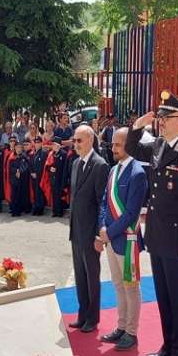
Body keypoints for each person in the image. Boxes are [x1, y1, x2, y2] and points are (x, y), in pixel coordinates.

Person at [126, 91, 178, 356]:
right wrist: (138, 125)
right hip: (157, 234)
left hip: (176, 239)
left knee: (176, 295)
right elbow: (134, 149)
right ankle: (166, 344)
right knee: (162, 293)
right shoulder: (159, 145)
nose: (161, 121)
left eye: (166, 117)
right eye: (159, 117)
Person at [97, 127, 148, 351]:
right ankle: (121, 327)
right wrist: (101, 226)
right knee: (118, 285)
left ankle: (132, 331)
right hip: (111, 237)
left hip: (127, 240)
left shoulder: (137, 173)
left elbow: (131, 213)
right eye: (113, 144)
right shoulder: (113, 170)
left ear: (128, 145)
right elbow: (103, 202)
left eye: (117, 144)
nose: (113, 148)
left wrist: (109, 232)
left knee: (131, 287)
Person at [68, 125, 110, 333]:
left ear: (91, 140)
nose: (76, 145)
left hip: (91, 233)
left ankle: (93, 318)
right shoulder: (76, 164)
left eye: (80, 141)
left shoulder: (100, 165)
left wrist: (98, 235)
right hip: (76, 231)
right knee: (80, 275)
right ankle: (82, 313)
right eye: (74, 140)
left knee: (92, 276)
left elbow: (101, 203)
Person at [44, 136, 68, 217]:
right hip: (53, 177)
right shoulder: (51, 153)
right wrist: (50, 168)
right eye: (53, 144)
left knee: (60, 195)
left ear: (58, 145)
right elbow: (47, 165)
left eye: (54, 144)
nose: (53, 146)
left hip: (60, 177)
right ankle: (55, 211)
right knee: (54, 195)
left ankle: (60, 212)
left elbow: (65, 167)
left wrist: (57, 170)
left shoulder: (64, 154)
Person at [9, 140, 31, 217]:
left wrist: (20, 172)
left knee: (20, 195)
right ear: (14, 148)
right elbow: (10, 167)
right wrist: (16, 171)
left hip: (22, 179)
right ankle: (13, 210)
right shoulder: (12, 156)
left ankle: (19, 211)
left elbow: (26, 166)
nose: (18, 149)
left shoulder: (24, 157)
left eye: (20, 147)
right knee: (13, 195)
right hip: (14, 179)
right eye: (17, 147)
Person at [30, 136, 47, 215]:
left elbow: (43, 166)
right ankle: (36, 208)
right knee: (35, 193)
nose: (37, 144)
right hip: (33, 177)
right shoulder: (33, 153)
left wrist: (37, 174)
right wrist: (32, 173)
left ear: (41, 143)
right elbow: (31, 165)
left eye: (38, 142)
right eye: (36, 142)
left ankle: (40, 209)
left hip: (40, 177)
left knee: (39, 193)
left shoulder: (43, 153)